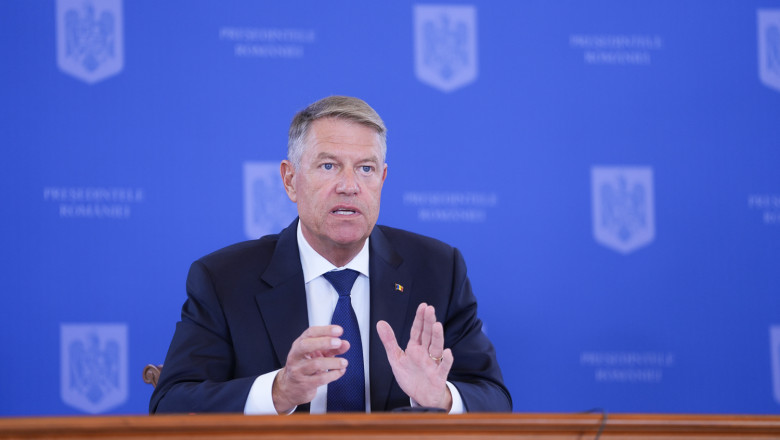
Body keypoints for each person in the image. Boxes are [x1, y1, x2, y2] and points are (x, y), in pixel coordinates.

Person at [149, 96, 511, 414]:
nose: (349, 186)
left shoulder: (438, 270)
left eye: (366, 168)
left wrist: (440, 398)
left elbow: (493, 397)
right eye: (328, 166)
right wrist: (277, 392)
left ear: (382, 179)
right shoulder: (224, 279)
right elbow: (171, 404)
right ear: (290, 180)